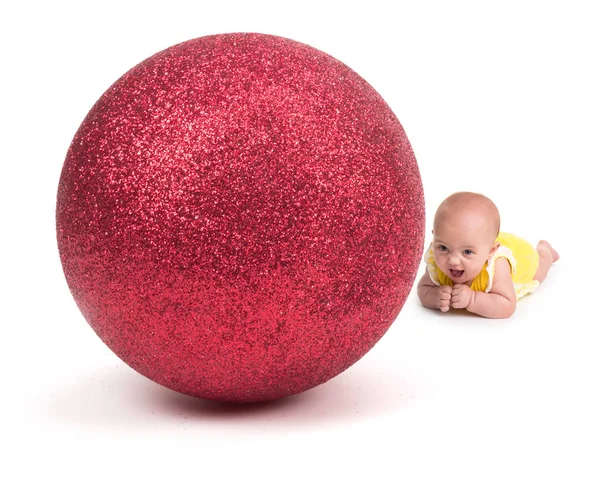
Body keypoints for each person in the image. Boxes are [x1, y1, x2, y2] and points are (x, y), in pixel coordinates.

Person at [416, 192, 559, 319]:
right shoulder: (436, 260)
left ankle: (545, 249)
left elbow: (507, 306)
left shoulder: (497, 267)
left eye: (467, 252)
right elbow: (423, 289)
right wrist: (435, 297)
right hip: (482, 242)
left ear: (490, 252)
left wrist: (472, 299)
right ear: (434, 238)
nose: (452, 260)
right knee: (474, 239)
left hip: (522, 257)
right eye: (443, 247)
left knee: (539, 269)